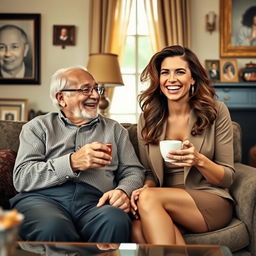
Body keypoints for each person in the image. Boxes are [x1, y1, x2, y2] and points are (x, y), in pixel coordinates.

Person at [10, 66, 145, 242]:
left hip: (95, 202)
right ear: (61, 98)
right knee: (53, 226)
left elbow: (133, 171)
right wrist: (72, 163)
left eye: (96, 89)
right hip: (42, 199)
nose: (96, 96)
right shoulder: (37, 127)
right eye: (85, 90)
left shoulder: (115, 130)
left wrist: (123, 191)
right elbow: (22, 177)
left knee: (115, 220)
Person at [130, 45, 235, 244]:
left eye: (180, 72)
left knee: (149, 199)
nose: (171, 79)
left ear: (193, 78)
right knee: (136, 229)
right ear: (158, 79)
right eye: (165, 73)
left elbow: (227, 177)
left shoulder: (215, 111)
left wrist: (199, 160)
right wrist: (145, 187)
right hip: (164, 200)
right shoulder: (148, 118)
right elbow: (149, 172)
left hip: (208, 198)